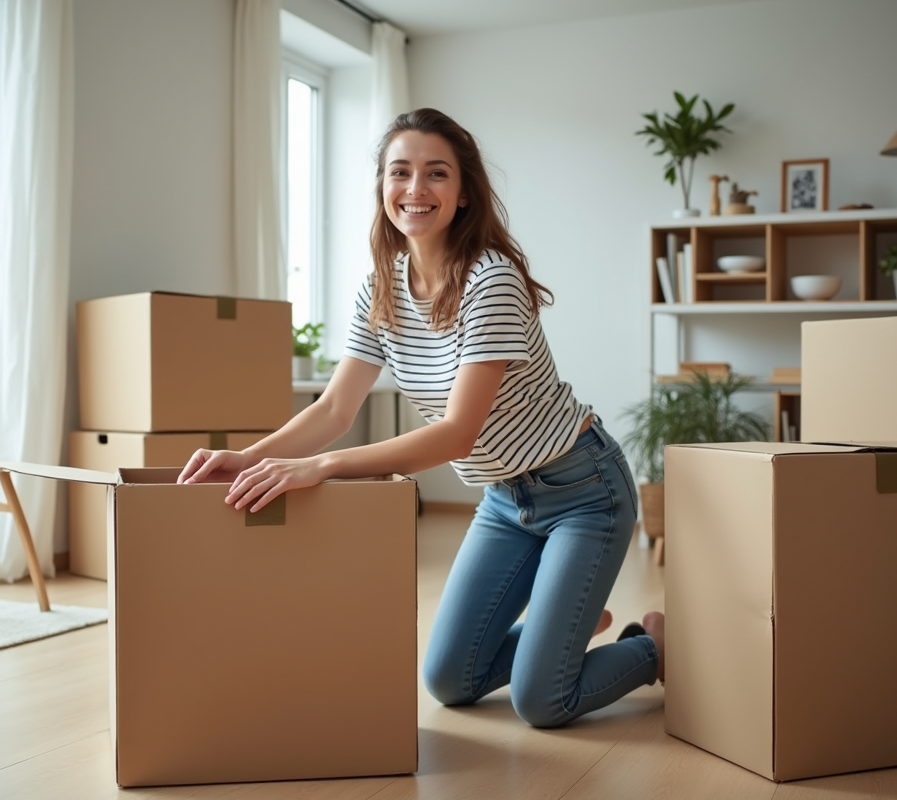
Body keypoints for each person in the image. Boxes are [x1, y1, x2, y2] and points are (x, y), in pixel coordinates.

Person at [178, 107, 664, 728]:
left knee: (542, 702)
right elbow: (334, 407)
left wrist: (324, 467)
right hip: (503, 500)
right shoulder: (380, 287)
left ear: (463, 194)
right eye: (399, 172)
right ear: (382, 188)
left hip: (584, 491)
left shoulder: (491, 281)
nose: (416, 189)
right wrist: (248, 457)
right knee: (447, 680)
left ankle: (653, 647)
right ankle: (562, 626)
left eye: (436, 174)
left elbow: (456, 432)